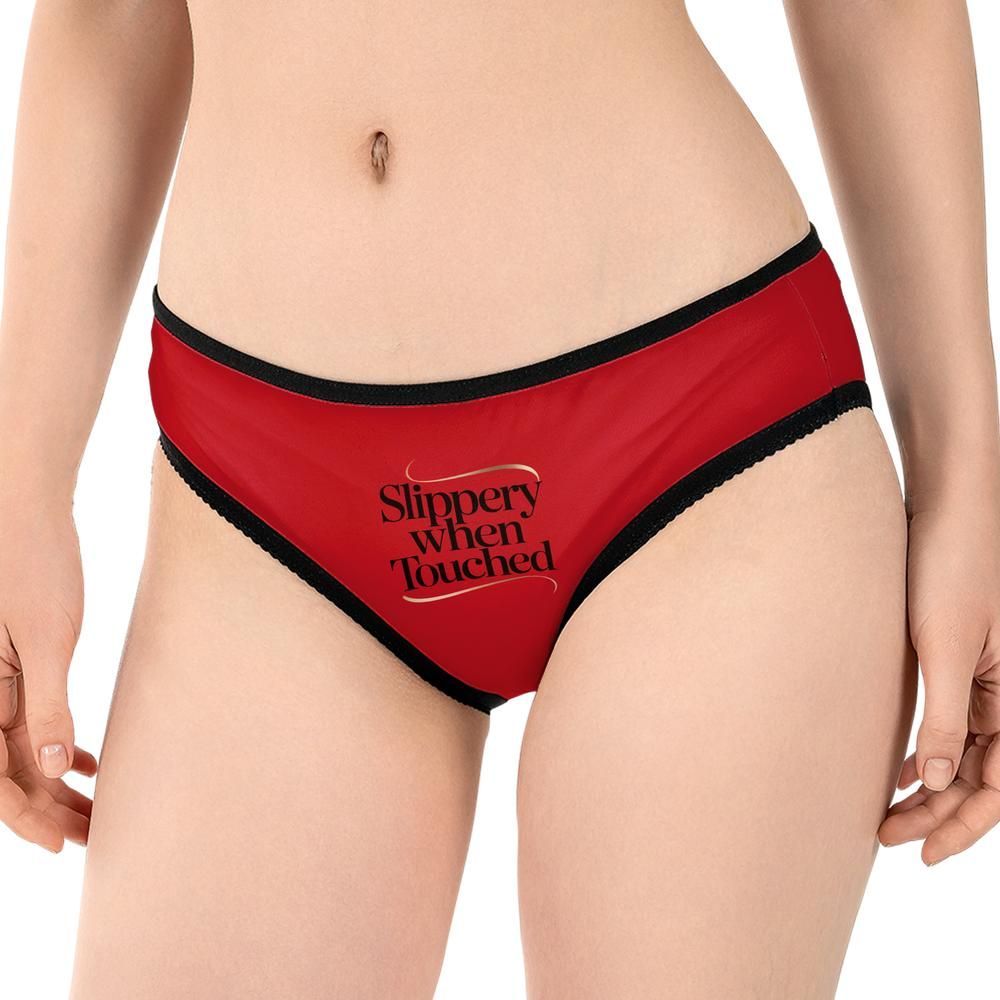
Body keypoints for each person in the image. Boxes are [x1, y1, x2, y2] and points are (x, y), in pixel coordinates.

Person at [0, 2, 996, 997]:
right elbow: (103, 17)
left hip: (697, 439)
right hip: (265, 497)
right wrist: (21, 485)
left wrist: (964, 483)